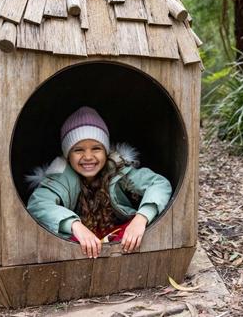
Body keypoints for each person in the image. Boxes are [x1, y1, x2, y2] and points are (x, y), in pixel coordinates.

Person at [26, 107, 172, 259]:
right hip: (79, 240)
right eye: (78, 150)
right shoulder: (61, 177)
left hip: (114, 233)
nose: (88, 156)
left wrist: (141, 218)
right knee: (60, 242)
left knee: (139, 232)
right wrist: (75, 226)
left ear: (106, 151)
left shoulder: (119, 171)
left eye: (96, 148)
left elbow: (159, 184)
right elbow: (38, 204)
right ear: (68, 156)